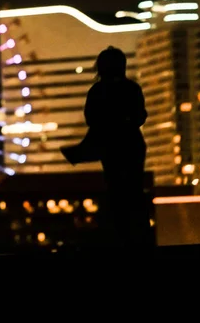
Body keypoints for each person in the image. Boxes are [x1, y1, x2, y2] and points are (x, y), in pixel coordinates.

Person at [66, 46, 151, 251]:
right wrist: (124, 121)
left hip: (111, 147)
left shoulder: (97, 91)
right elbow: (140, 116)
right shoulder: (132, 88)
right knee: (133, 190)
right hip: (131, 145)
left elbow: (91, 119)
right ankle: (138, 236)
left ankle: (120, 235)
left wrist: (108, 125)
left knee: (116, 190)